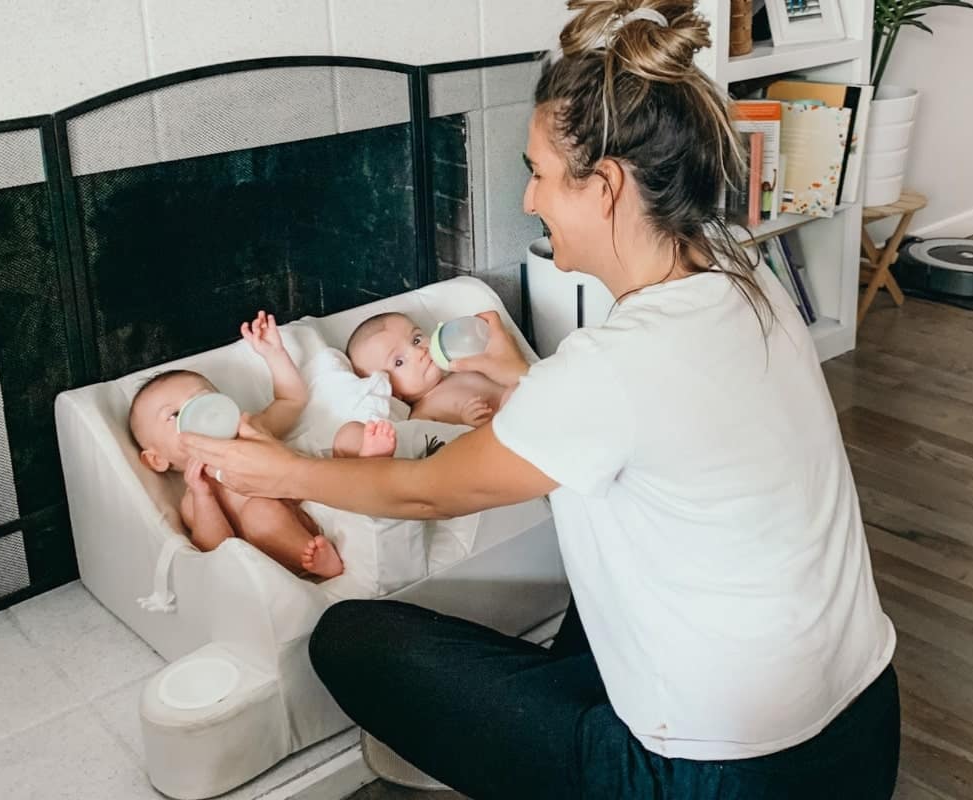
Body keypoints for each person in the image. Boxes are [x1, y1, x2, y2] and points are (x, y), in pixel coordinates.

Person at [181, 1, 900, 796]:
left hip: (720, 778)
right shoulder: (739, 267)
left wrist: (279, 470)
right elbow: (667, 414)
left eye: (540, 174)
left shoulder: (611, 367)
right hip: (864, 734)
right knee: (603, 552)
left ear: (608, 186)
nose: (529, 199)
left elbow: (421, 492)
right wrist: (522, 380)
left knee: (351, 639)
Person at [129, 310, 391, 579]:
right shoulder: (195, 496)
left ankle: (371, 463)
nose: (198, 416)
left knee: (349, 433)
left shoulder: (249, 429)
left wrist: (274, 354)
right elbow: (217, 547)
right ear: (157, 459)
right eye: (175, 415)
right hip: (293, 540)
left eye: (203, 401)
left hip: (325, 494)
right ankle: (317, 563)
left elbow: (291, 400)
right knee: (258, 512)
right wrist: (203, 495)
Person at [346, 311, 509, 428]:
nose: (419, 351)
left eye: (416, 340)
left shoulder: (461, 365)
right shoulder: (422, 415)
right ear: (391, 391)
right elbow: (441, 450)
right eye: (399, 362)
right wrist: (465, 423)